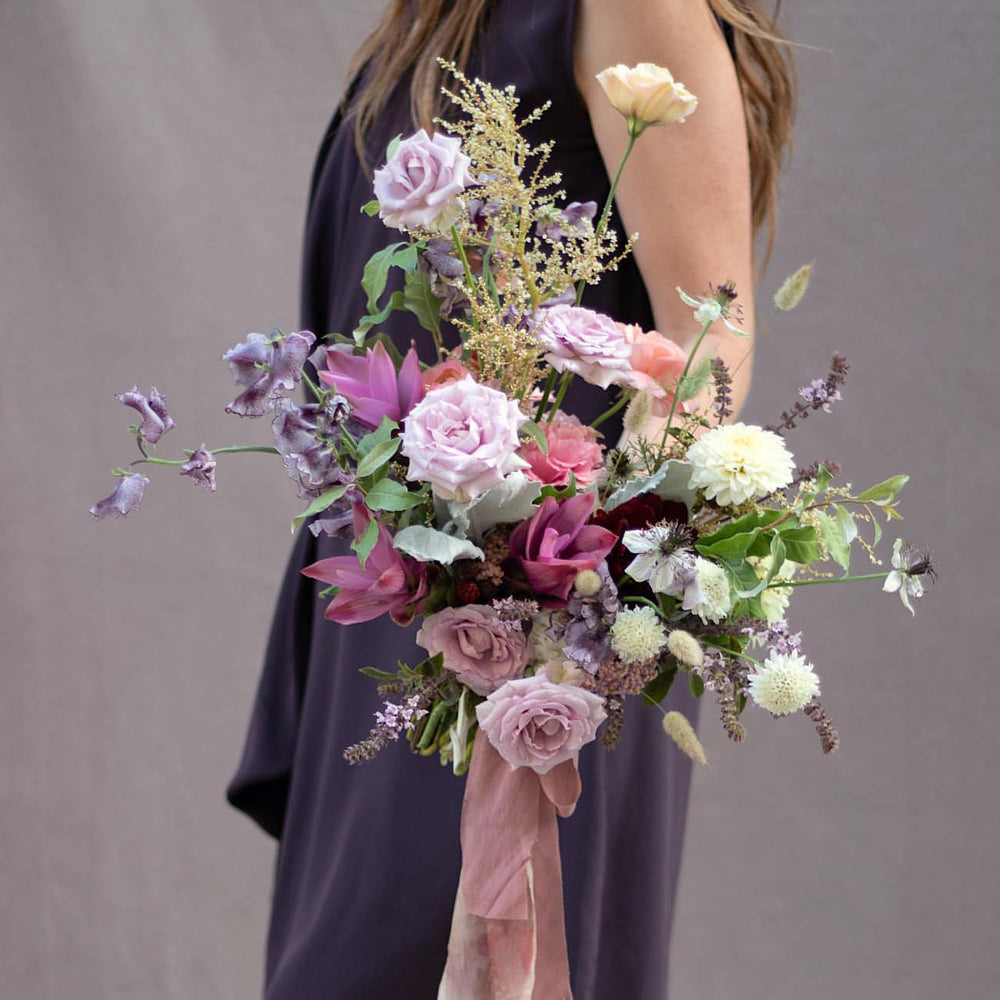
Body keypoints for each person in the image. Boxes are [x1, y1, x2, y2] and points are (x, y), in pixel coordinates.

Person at [227, 1, 796, 997]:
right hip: (401, 625)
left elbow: (705, 361)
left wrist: (557, 626)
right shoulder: (436, 21)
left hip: (529, 642)